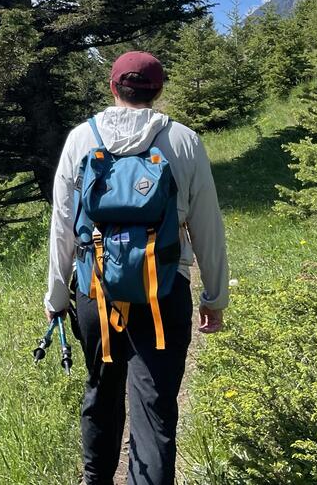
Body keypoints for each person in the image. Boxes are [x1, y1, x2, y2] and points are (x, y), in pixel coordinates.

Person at [44, 50, 229, 485]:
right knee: (155, 408)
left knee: (102, 392)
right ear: (159, 91)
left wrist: (56, 298)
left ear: (113, 88)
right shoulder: (184, 141)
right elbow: (208, 226)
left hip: (96, 292)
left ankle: (96, 478)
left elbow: (62, 228)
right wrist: (214, 297)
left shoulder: (80, 140)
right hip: (163, 291)